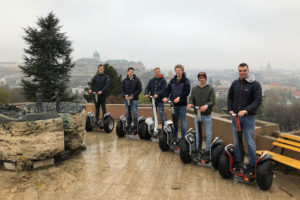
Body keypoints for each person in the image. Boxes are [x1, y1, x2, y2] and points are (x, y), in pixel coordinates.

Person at [227, 63, 262, 175]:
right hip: (236, 118)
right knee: (237, 142)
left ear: (248, 70)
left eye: (244, 70)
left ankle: (252, 165)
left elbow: (257, 100)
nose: (242, 72)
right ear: (238, 71)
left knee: (249, 142)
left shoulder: (255, 85)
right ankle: (238, 162)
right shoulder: (235, 83)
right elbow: (230, 97)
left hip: (248, 118)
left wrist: (246, 110)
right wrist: (230, 109)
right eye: (240, 70)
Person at [188, 72, 215, 160]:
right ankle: (197, 149)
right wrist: (190, 104)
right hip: (197, 115)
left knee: (208, 134)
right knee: (198, 134)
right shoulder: (195, 89)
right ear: (198, 79)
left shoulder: (210, 89)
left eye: (203, 78)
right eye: (200, 78)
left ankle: (207, 151)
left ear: (205, 79)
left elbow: (212, 101)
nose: (202, 79)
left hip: (207, 115)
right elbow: (191, 98)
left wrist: (206, 105)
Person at [163, 64, 190, 142]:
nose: (178, 72)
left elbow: (187, 92)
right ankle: (175, 137)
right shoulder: (172, 80)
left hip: (182, 104)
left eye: (179, 70)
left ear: (182, 71)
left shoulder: (186, 81)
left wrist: (179, 98)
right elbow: (168, 90)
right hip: (173, 104)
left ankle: (183, 139)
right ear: (175, 71)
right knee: (174, 121)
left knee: (183, 121)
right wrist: (165, 96)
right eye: (176, 70)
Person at [121, 67, 142, 134]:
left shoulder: (137, 80)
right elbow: (122, 89)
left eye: (132, 72)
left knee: (135, 112)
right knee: (127, 113)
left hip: (134, 99)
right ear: (128, 72)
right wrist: (124, 96)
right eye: (130, 72)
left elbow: (139, 89)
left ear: (133, 72)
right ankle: (129, 125)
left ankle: (136, 126)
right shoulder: (124, 80)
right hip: (126, 100)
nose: (131, 73)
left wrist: (133, 95)